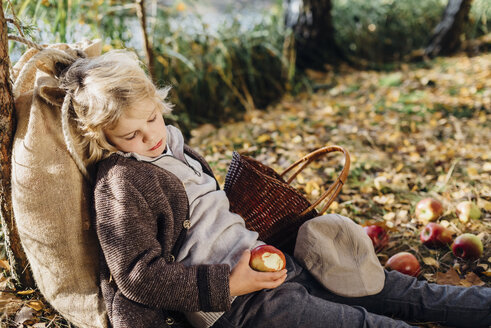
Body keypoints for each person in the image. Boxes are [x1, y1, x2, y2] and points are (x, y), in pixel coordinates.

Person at [59, 50, 491, 328]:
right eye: (130, 135)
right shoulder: (121, 182)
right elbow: (138, 276)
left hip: (270, 264)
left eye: (151, 117)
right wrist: (231, 283)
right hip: (237, 307)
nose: (149, 136)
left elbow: (214, 216)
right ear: (103, 137)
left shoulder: (171, 144)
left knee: (397, 291)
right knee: (364, 324)